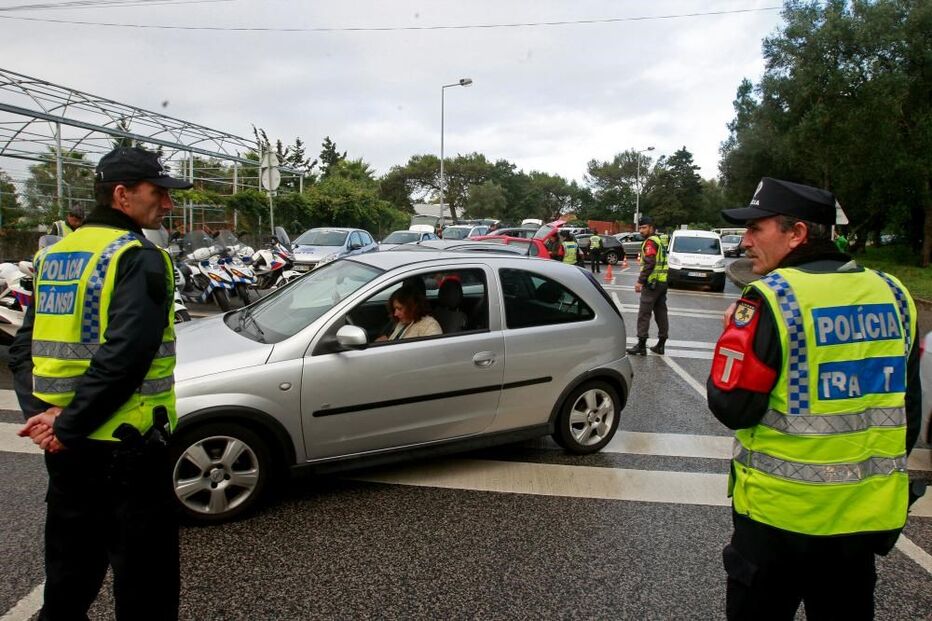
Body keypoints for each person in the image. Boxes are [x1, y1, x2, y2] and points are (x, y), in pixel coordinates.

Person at [706, 177, 922, 620]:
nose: (745, 241)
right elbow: (909, 412)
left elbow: (732, 406)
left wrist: (731, 339)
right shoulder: (895, 295)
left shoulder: (772, 299)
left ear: (797, 233)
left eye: (756, 228)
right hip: (862, 521)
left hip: (777, 520)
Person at [14, 146, 191, 620]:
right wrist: (65, 425)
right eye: (159, 193)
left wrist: (45, 419)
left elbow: (25, 348)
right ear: (122, 195)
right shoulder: (140, 257)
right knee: (145, 587)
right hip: (127, 446)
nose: (167, 205)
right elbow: (126, 357)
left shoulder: (53, 256)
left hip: (68, 454)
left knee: (69, 577)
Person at [626, 216, 668, 355]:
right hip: (662, 282)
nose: (641, 231)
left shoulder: (650, 242)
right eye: (640, 228)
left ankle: (641, 345)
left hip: (652, 283)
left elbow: (650, 263)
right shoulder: (659, 240)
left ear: (651, 227)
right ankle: (661, 344)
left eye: (644, 228)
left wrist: (640, 281)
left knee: (644, 314)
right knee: (661, 313)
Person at [377, 284, 442, 340]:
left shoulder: (429, 326)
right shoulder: (404, 321)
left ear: (413, 307)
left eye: (399, 309)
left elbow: (434, 352)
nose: (395, 314)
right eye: (395, 309)